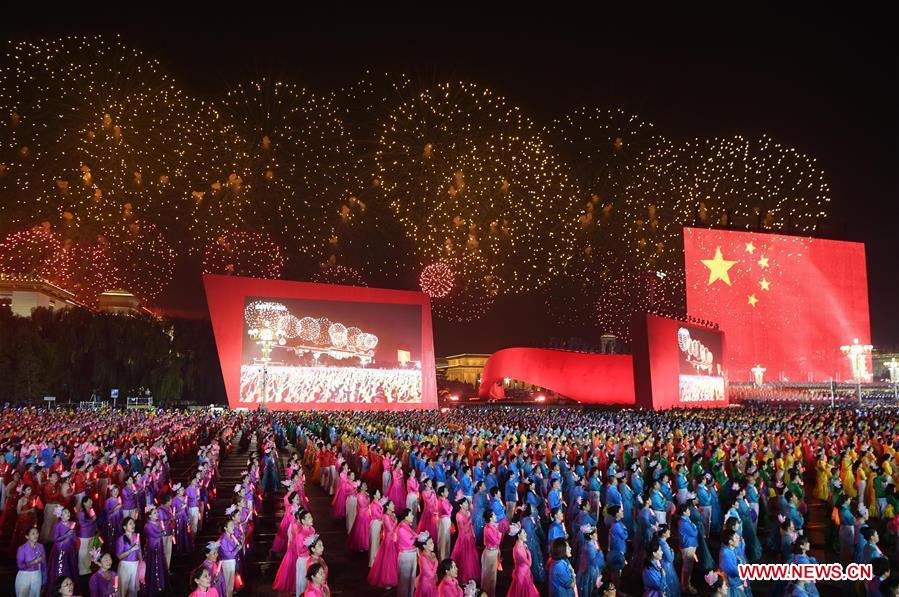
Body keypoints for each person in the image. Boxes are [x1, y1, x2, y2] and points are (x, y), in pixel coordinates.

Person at [368, 500, 399, 589]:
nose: (394, 505)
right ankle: (386, 579)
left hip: (393, 539)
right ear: (387, 506)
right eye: (392, 504)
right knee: (387, 560)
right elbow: (390, 529)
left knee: (393, 559)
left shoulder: (392, 515)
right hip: (388, 540)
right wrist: (396, 521)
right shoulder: (385, 516)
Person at [47, 507, 78, 591]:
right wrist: (66, 535)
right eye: (65, 513)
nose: (68, 514)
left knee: (71, 567)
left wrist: (73, 535)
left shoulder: (72, 524)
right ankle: (60, 587)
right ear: (61, 515)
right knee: (62, 568)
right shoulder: (58, 525)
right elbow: (56, 539)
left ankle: (70, 587)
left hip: (70, 549)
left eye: (68, 512)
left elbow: (74, 539)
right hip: (60, 550)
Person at [451, 497, 480, 584]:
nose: (467, 505)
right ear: (460, 505)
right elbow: (462, 528)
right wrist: (469, 521)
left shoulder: (468, 512)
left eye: (467, 503)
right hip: (463, 538)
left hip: (470, 537)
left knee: (471, 556)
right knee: (464, 557)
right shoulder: (458, 515)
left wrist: (473, 534)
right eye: (465, 503)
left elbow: (470, 527)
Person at [508, 522, 539, 597]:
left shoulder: (522, 544)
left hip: (525, 571)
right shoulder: (518, 549)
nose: (526, 534)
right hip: (522, 574)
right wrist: (528, 552)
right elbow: (529, 563)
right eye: (524, 533)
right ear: (518, 535)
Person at [15, 526, 45, 597]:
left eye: (37, 533)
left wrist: (44, 580)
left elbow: (44, 564)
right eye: (33, 533)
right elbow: (20, 566)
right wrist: (34, 562)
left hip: (37, 575)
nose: (36, 535)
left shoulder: (41, 547)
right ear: (27, 536)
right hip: (24, 576)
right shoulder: (22, 548)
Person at [115, 517, 141, 597]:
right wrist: (132, 549)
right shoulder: (121, 539)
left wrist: (141, 562)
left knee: (133, 589)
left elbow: (139, 551)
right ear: (124, 527)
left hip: (136, 565)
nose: (133, 525)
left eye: (133, 523)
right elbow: (119, 556)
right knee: (123, 588)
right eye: (130, 523)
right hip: (125, 565)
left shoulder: (136, 536)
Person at [577, 523, 605, 597]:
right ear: (590, 536)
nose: (597, 535)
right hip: (591, 571)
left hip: (590, 569)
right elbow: (597, 562)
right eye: (595, 534)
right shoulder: (590, 547)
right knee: (592, 589)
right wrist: (600, 553)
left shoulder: (590, 544)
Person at [397, 508, 419, 597]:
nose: (412, 516)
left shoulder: (406, 526)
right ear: (405, 517)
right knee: (404, 582)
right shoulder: (401, 528)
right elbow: (410, 541)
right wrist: (416, 537)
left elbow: (414, 535)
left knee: (411, 579)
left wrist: (417, 536)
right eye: (410, 515)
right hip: (406, 556)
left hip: (411, 554)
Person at [481, 509, 502, 597]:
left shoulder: (491, 526)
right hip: (491, 554)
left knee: (491, 574)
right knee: (490, 575)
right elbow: (497, 541)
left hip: (493, 552)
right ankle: (488, 593)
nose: (495, 516)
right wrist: (500, 533)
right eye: (494, 515)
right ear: (490, 518)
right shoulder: (488, 529)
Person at [218, 519, 240, 597]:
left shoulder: (230, 537)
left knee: (230, 584)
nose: (233, 527)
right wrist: (237, 549)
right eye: (231, 526)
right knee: (228, 584)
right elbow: (228, 555)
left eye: (233, 525)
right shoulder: (223, 539)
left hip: (231, 562)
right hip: (227, 563)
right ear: (225, 528)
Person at [414, 531, 438, 597]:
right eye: (430, 543)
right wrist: (436, 562)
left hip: (433, 582)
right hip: (426, 585)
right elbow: (430, 575)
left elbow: (434, 574)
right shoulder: (422, 559)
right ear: (424, 546)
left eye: (432, 542)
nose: (433, 544)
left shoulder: (432, 554)